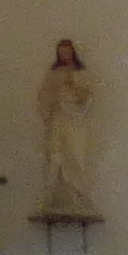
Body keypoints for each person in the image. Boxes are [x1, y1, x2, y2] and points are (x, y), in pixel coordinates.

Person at [34, 37, 98, 220]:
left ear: (72, 52)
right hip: (57, 120)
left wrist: (75, 89)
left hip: (75, 123)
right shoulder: (52, 74)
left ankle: (76, 198)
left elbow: (87, 99)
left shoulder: (82, 74)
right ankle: (52, 198)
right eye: (60, 52)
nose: (64, 55)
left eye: (67, 51)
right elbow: (44, 98)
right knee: (55, 157)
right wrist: (55, 97)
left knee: (75, 157)